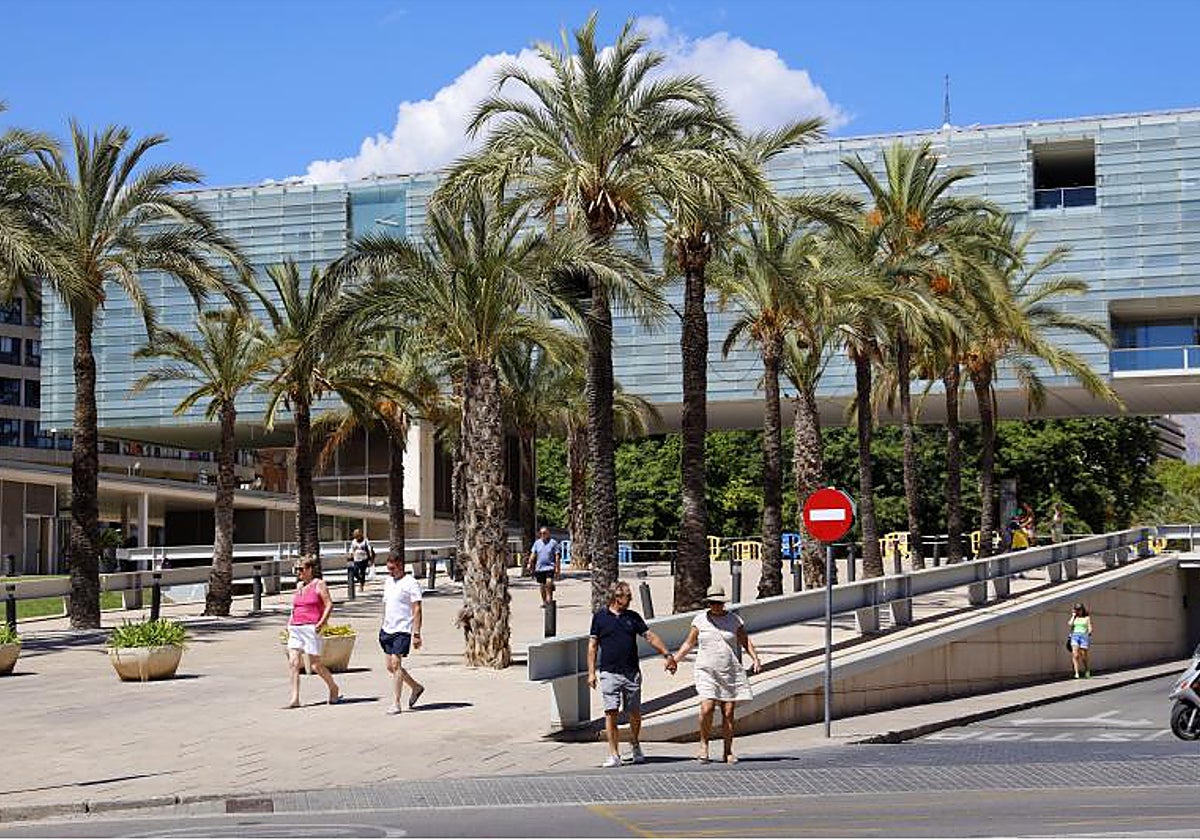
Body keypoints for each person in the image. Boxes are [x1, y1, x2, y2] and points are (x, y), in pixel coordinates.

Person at [669, 584, 762, 764]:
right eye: (712, 603)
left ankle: (727, 751)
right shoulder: (700, 620)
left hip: (729, 671)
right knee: (707, 707)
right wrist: (675, 660)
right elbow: (689, 643)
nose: (716, 606)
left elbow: (745, 640)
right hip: (706, 670)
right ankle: (704, 745)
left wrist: (755, 658)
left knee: (728, 713)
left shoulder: (734, 620)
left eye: (718, 603)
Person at [587, 580, 676, 767]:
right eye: (627, 597)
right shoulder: (600, 618)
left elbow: (650, 636)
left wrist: (667, 655)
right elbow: (592, 646)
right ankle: (613, 753)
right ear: (616, 597)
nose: (629, 601)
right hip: (609, 672)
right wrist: (591, 672)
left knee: (634, 712)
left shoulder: (633, 617)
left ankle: (635, 743)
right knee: (610, 712)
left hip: (631, 672)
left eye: (630, 597)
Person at [285, 556, 343, 708]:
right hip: (296, 627)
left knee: (315, 665)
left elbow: (329, 604)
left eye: (301, 569)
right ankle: (295, 698)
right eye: (296, 570)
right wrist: (289, 622)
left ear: (310, 569)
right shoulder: (299, 586)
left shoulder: (319, 584)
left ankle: (333, 687)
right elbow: (295, 607)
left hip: (311, 627)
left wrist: (322, 622)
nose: (299, 573)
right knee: (294, 663)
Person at [379, 550, 426, 714]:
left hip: (403, 629)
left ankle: (396, 702)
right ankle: (416, 687)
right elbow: (387, 604)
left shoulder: (411, 583)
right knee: (390, 667)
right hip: (387, 629)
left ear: (400, 566)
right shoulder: (388, 582)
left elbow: (417, 608)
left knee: (396, 664)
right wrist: (382, 624)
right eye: (388, 569)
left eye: (392, 569)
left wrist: (417, 633)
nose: (390, 572)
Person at [527, 526, 560, 606]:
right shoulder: (537, 543)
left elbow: (557, 556)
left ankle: (549, 598)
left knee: (548, 582)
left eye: (544, 533)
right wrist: (529, 563)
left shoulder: (553, 543)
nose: (542, 535)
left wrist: (557, 568)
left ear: (548, 533)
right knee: (542, 585)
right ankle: (544, 601)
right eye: (541, 533)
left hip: (550, 567)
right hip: (540, 568)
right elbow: (533, 554)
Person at [1068, 602, 1093, 678]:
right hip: (1075, 636)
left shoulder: (1086, 618)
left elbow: (1089, 627)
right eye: (1077, 609)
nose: (1078, 611)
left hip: (1083, 636)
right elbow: (1070, 624)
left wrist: (1089, 632)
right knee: (1075, 655)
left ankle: (1087, 670)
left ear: (1082, 609)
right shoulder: (1075, 617)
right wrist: (1073, 616)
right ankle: (1076, 673)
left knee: (1083, 656)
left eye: (1079, 609)